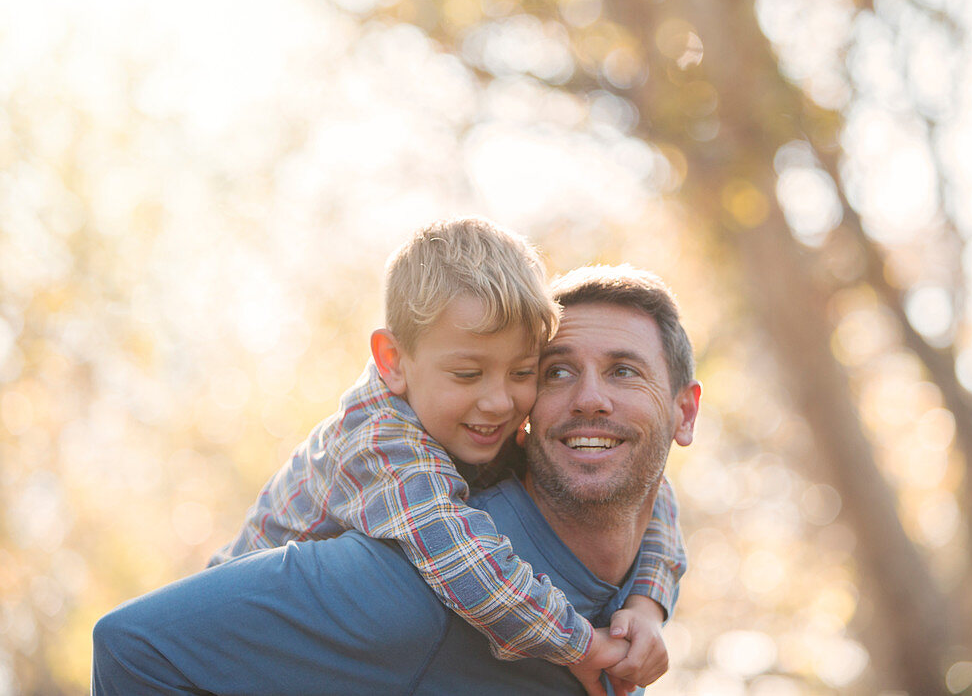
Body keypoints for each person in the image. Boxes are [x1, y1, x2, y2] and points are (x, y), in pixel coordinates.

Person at [92, 264, 702, 695]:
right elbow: (134, 646)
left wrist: (648, 605)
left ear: (683, 412)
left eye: (625, 372)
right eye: (559, 373)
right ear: (395, 364)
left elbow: (659, 497)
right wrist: (578, 644)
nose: (590, 400)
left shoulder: (620, 547)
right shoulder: (407, 576)